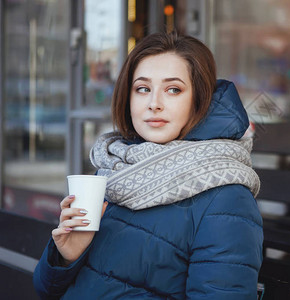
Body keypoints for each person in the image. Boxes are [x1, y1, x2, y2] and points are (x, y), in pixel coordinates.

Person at [33, 31, 263, 299]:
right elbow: (45, 290)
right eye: (143, 89)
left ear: (199, 100)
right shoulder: (117, 169)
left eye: (173, 89)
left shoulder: (226, 199)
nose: (154, 104)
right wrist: (66, 258)